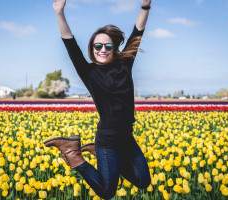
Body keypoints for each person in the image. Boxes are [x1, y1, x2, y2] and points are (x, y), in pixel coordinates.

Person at [44, 0, 152, 199]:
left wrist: (145, 6)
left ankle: (96, 154)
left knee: (143, 181)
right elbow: (69, 42)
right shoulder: (88, 71)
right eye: (98, 45)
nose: (102, 49)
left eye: (108, 45)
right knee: (107, 192)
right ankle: (74, 155)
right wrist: (59, 12)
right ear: (92, 48)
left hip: (127, 137)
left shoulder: (125, 64)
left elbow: (138, 32)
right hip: (108, 139)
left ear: (114, 47)